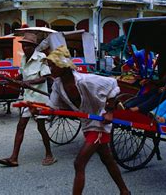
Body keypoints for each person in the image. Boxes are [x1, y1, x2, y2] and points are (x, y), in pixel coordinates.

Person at [44, 45, 130, 195]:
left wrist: (109, 112)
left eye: (53, 65)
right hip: (87, 123)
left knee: (79, 163)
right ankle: (124, 191)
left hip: (99, 122)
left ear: (63, 66)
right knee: (107, 159)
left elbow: (112, 85)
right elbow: (52, 106)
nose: (50, 69)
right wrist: (37, 109)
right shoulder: (58, 85)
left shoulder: (85, 81)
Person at [0, 33, 56, 167]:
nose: (25, 48)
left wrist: (28, 82)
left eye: (28, 46)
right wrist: (13, 80)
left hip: (39, 99)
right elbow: (21, 74)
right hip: (28, 98)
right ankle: (14, 158)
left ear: (34, 47)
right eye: (23, 45)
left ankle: (49, 155)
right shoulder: (23, 58)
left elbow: (45, 77)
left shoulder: (41, 58)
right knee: (20, 126)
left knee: (41, 128)